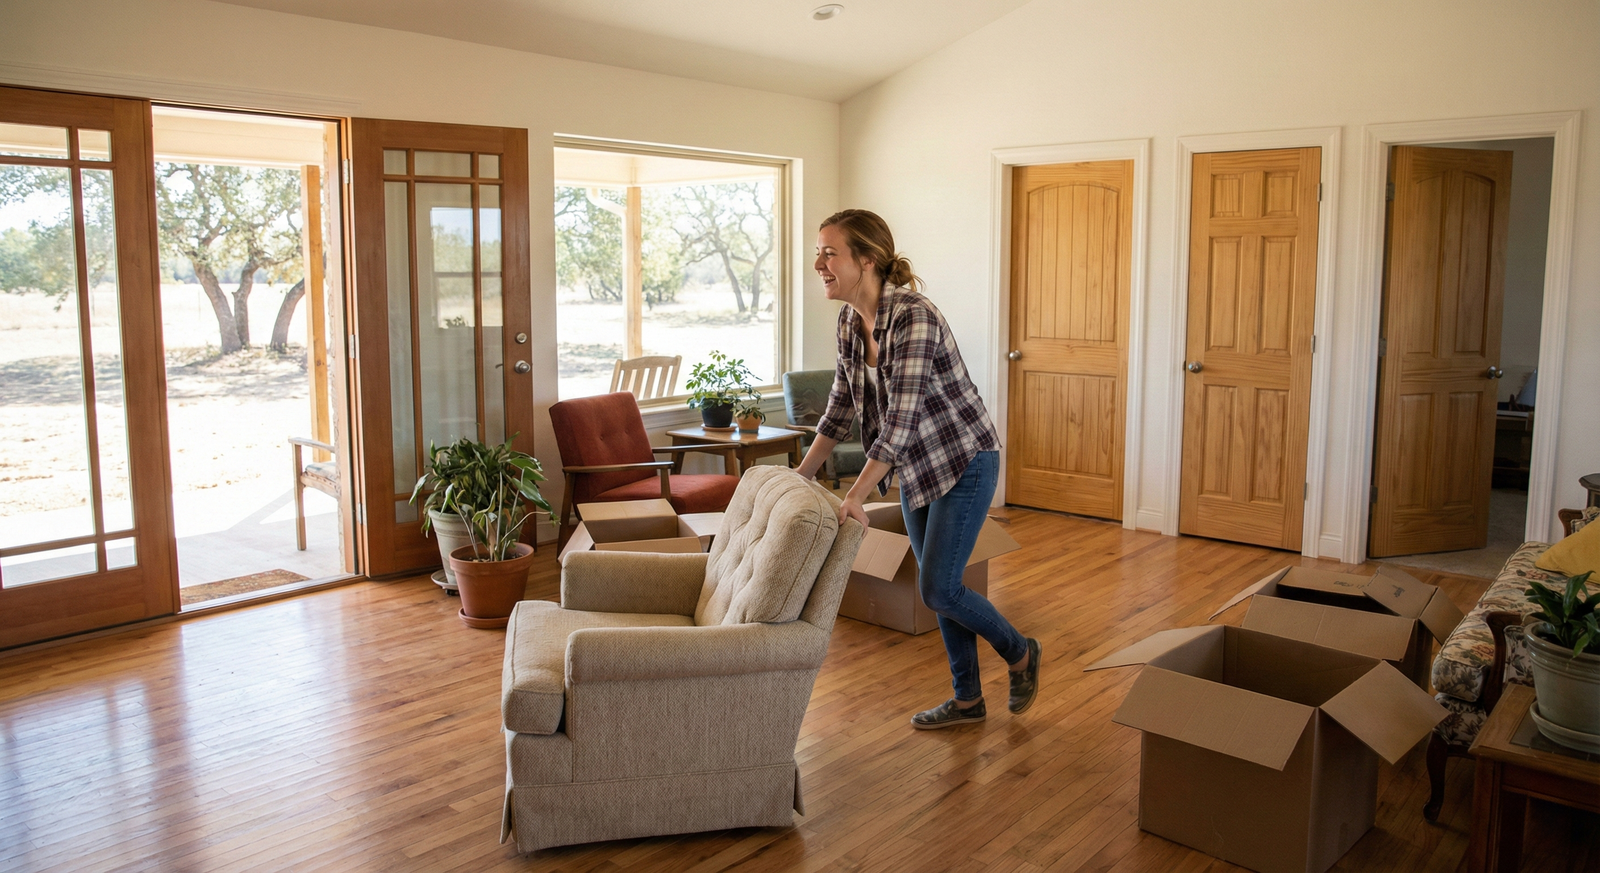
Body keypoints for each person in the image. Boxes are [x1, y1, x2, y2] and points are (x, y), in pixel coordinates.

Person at [794, 209, 1040, 729]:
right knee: (941, 586)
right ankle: (968, 701)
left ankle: (1021, 652)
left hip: (965, 460)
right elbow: (840, 408)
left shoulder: (913, 316)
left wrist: (856, 494)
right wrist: (801, 477)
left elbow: (900, 421)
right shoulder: (848, 322)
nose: (818, 262)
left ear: (866, 260)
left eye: (829, 251)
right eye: (818, 251)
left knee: (938, 588)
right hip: (916, 467)